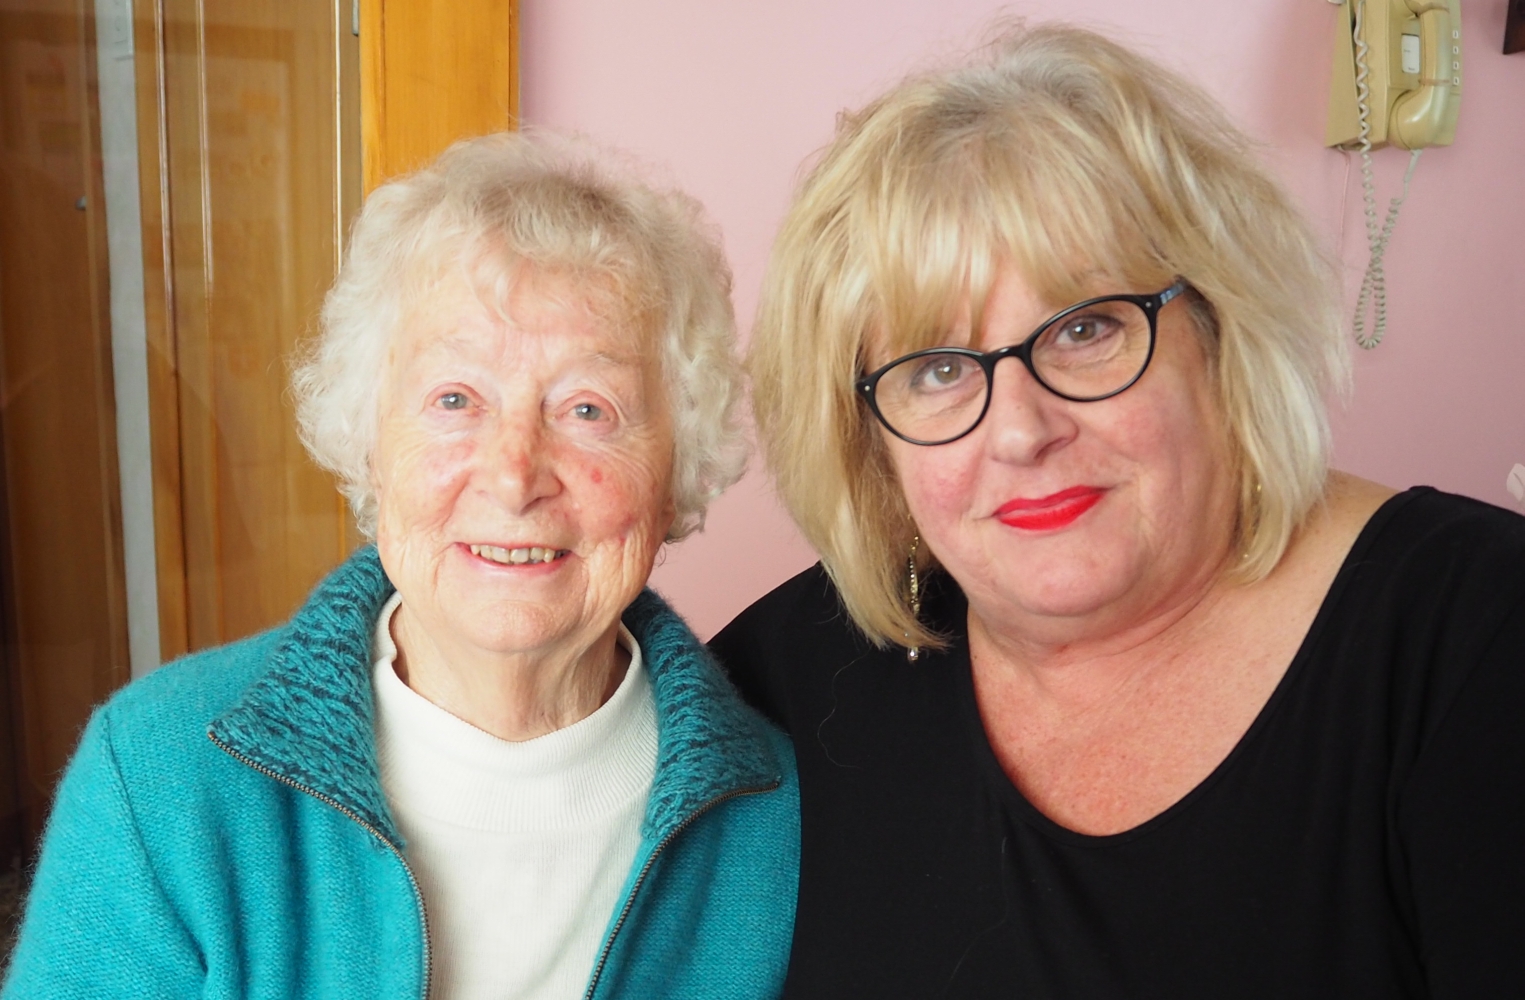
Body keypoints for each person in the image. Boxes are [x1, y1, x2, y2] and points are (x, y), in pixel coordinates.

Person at [713, 23, 1525, 999]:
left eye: (1084, 328)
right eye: (935, 368)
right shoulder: (779, 686)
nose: (1019, 429)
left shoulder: (1476, 638)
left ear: (1221, 329)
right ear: (869, 444)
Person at [5, 132, 798, 999]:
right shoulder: (159, 782)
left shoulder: (785, 812)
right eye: (454, 399)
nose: (512, 472)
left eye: (587, 408)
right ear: (368, 444)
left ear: (676, 468)